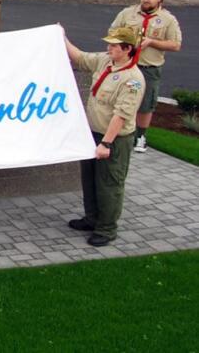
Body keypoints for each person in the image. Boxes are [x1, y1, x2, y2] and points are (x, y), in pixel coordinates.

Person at [63, 27, 144, 247]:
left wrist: (106, 143)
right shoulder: (105, 61)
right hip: (92, 133)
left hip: (113, 139)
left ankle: (107, 229)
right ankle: (92, 219)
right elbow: (80, 57)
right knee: (89, 179)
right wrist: (62, 37)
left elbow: (121, 115)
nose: (108, 48)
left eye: (114, 46)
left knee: (109, 184)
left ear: (127, 49)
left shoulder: (132, 80)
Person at [108, 0, 182, 153]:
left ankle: (140, 136)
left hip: (147, 69)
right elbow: (112, 31)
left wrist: (152, 42)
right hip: (125, 66)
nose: (145, 0)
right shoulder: (128, 13)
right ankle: (113, 132)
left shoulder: (167, 19)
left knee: (145, 103)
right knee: (118, 99)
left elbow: (176, 44)